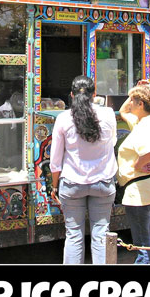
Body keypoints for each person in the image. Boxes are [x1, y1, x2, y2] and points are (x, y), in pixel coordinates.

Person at [49, 75, 118, 264]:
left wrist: (54, 186)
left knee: (73, 235)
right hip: (103, 183)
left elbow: (55, 160)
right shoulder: (109, 114)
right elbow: (113, 142)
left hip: (72, 185)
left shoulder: (63, 119)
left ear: (71, 95)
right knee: (101, 233)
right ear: (94, 94)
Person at [117, 81, 150, 264]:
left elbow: (149, 151)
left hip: (138, 191)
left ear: (141, 104)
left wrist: (137, 165)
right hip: (146, 187)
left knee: (142, 243)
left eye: (134, 101)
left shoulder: (144, 126)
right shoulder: (144, 121)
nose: (130, 104)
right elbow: (123, 111)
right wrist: (135, 92)